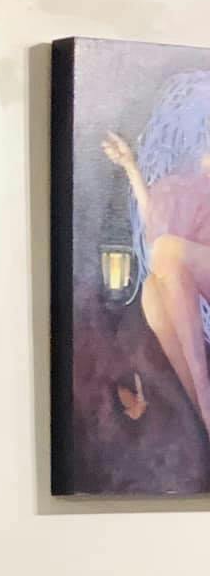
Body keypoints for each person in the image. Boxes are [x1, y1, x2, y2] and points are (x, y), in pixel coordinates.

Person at [103, 73, 210, 441]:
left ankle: (206, 402)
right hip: (196, 277)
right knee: (151, 291)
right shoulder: (179, 184)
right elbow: (156, 225)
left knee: (167, 250)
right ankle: (205, 416)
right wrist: (131, 166)